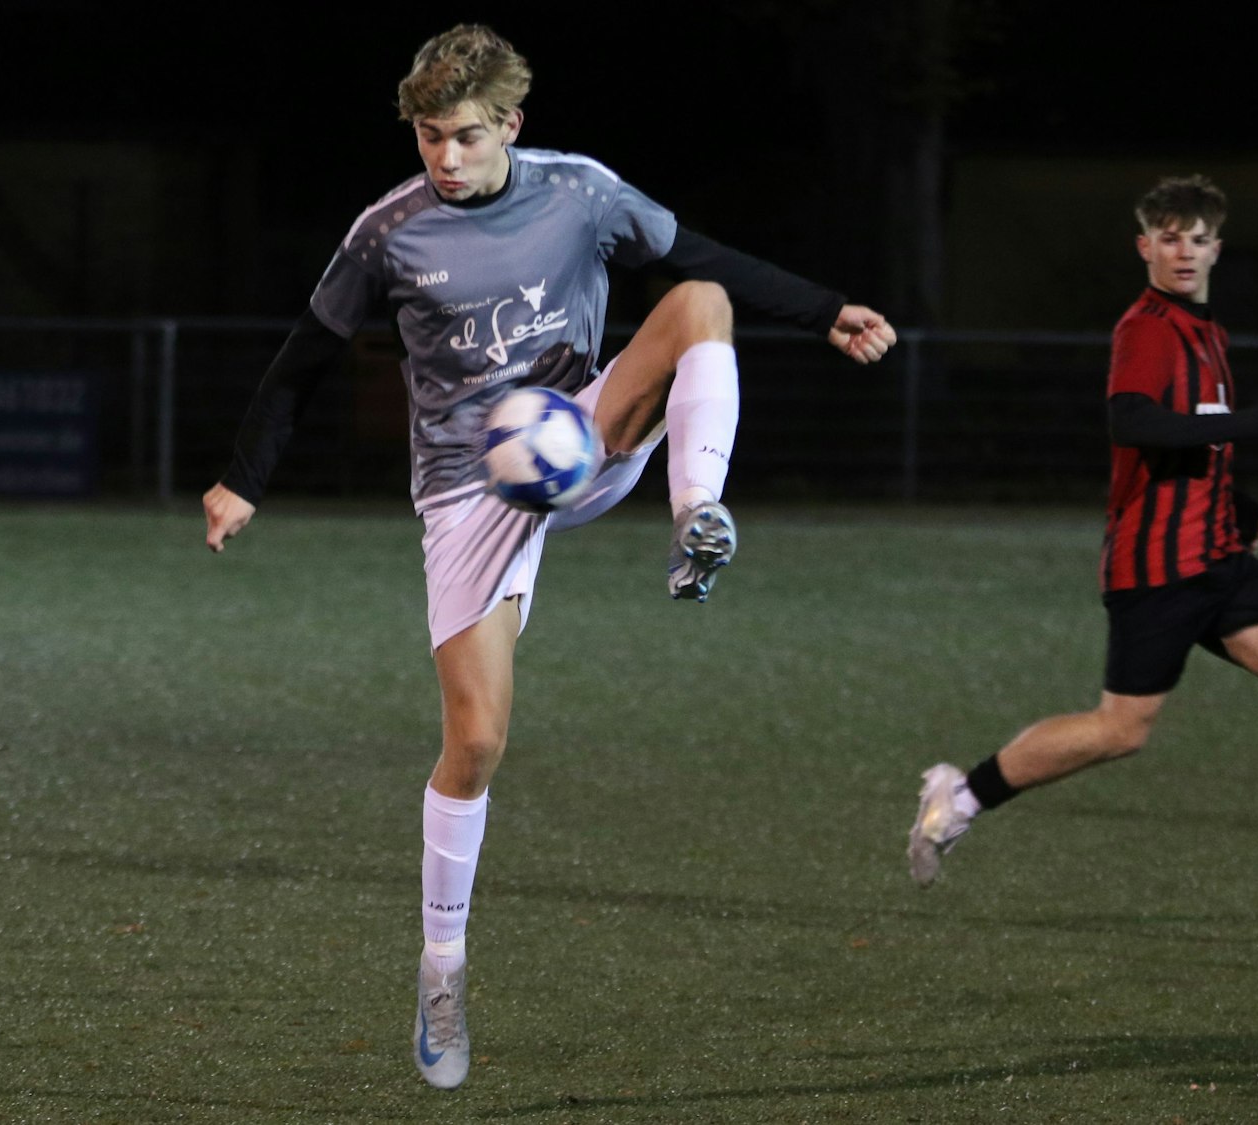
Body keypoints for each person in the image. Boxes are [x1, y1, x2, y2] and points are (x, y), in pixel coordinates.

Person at [201, 24, 896, 1090]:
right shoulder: (386, 230)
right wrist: (243, 478)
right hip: (467, 484)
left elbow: (701, 260)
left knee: (695, 308)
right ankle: (441, 968)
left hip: (580, 426)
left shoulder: (580, 192)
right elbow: (304, 361)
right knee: (474, 744)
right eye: (430, 137)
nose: (444, 157)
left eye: (465, 137)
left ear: (510, 126)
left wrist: (821, 312)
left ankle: (697, 515)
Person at [906, 174, 1258, 905]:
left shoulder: (1208, 334)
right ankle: (963, 795)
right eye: (1169, 237)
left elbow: (1190, 436)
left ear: (1216, 250)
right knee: (1121, 728)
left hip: (1220, 558)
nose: (1184, 251)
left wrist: (1237, 500)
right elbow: (1133, 424)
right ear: (1145, 245)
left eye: (1198, 239)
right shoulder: (1146, 327)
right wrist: (1248, 424)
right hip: (1157, 566)